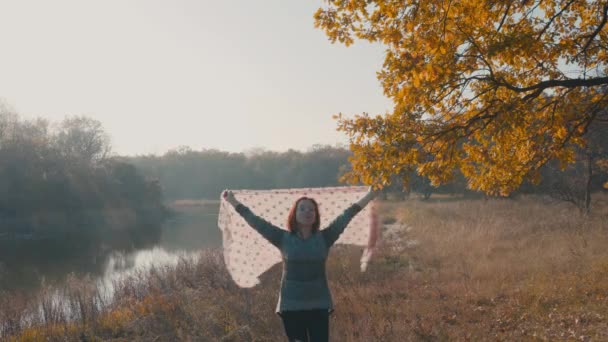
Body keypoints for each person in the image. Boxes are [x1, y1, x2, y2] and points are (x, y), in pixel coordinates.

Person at [222, 188, 378, 342]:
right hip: (291, 305)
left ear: (316, 215)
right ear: (294, 215)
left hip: (319, 304)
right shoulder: (282, 237)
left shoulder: (326, 236)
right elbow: (256, 221)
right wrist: (234, 201)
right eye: (302, 209)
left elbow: (348, 214)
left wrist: (370, 195)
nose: (307, 212)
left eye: (311, 209)